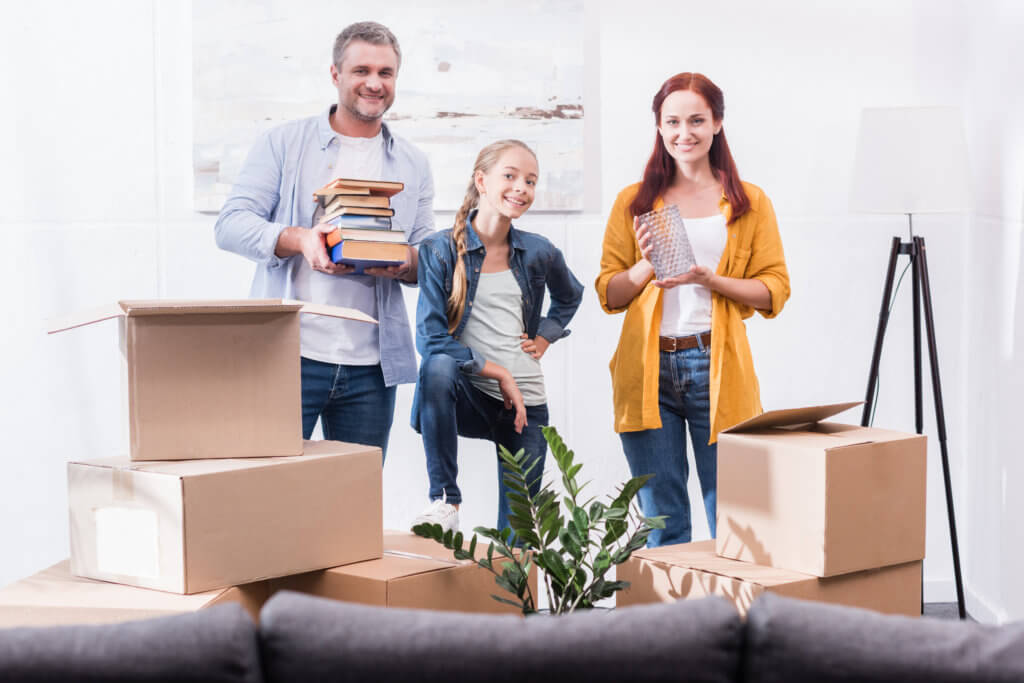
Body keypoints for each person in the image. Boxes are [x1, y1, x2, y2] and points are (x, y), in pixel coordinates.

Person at [214, 22, 433, 457]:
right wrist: (300, 239)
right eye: (361, 70)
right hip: (289, 358)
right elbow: (231, 224)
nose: (374, 83)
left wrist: (403, 260)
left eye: (386, 73)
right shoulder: (283, 143)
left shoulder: (413, 162)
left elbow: (427, 254)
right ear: (336, 75)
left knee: (353, 504)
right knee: (270, 493)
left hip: (372, 366)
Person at [595, 72, 790, 547]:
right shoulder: (634, 202)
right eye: (673, 121)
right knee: (663, 520)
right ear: (659, 127)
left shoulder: (748, 201)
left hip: (717, 366)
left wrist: (711, 279)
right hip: (647, 371)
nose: (685, 133)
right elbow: (609, 294)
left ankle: (729, 620)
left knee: (734, 516)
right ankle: (676, 623)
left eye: (697, 120)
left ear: (718, 123)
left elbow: (775, 289)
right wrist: (645, 266)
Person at [410, 139, 584, 533]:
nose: (522, 188)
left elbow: (571, 296)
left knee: (517, 542)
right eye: (510, 176)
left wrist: (543, 339)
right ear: (482, 180)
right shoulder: (439, 251)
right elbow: (431, 340)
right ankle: (445, 501)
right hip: (471, 395)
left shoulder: (539, 252)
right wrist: (499, 373)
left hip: (526, 404)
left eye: (531, 181)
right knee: (437, 367)